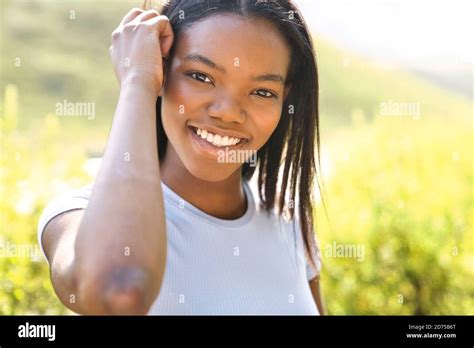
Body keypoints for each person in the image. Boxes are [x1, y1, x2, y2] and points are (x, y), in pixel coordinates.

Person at [37, 0, 326, 315]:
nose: (228, 112)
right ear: (160, 71)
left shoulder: (290, 223)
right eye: (201, 76)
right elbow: (117, 291)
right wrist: (137, 82)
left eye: (262, 92)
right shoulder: (78, 217)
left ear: (285, 99)